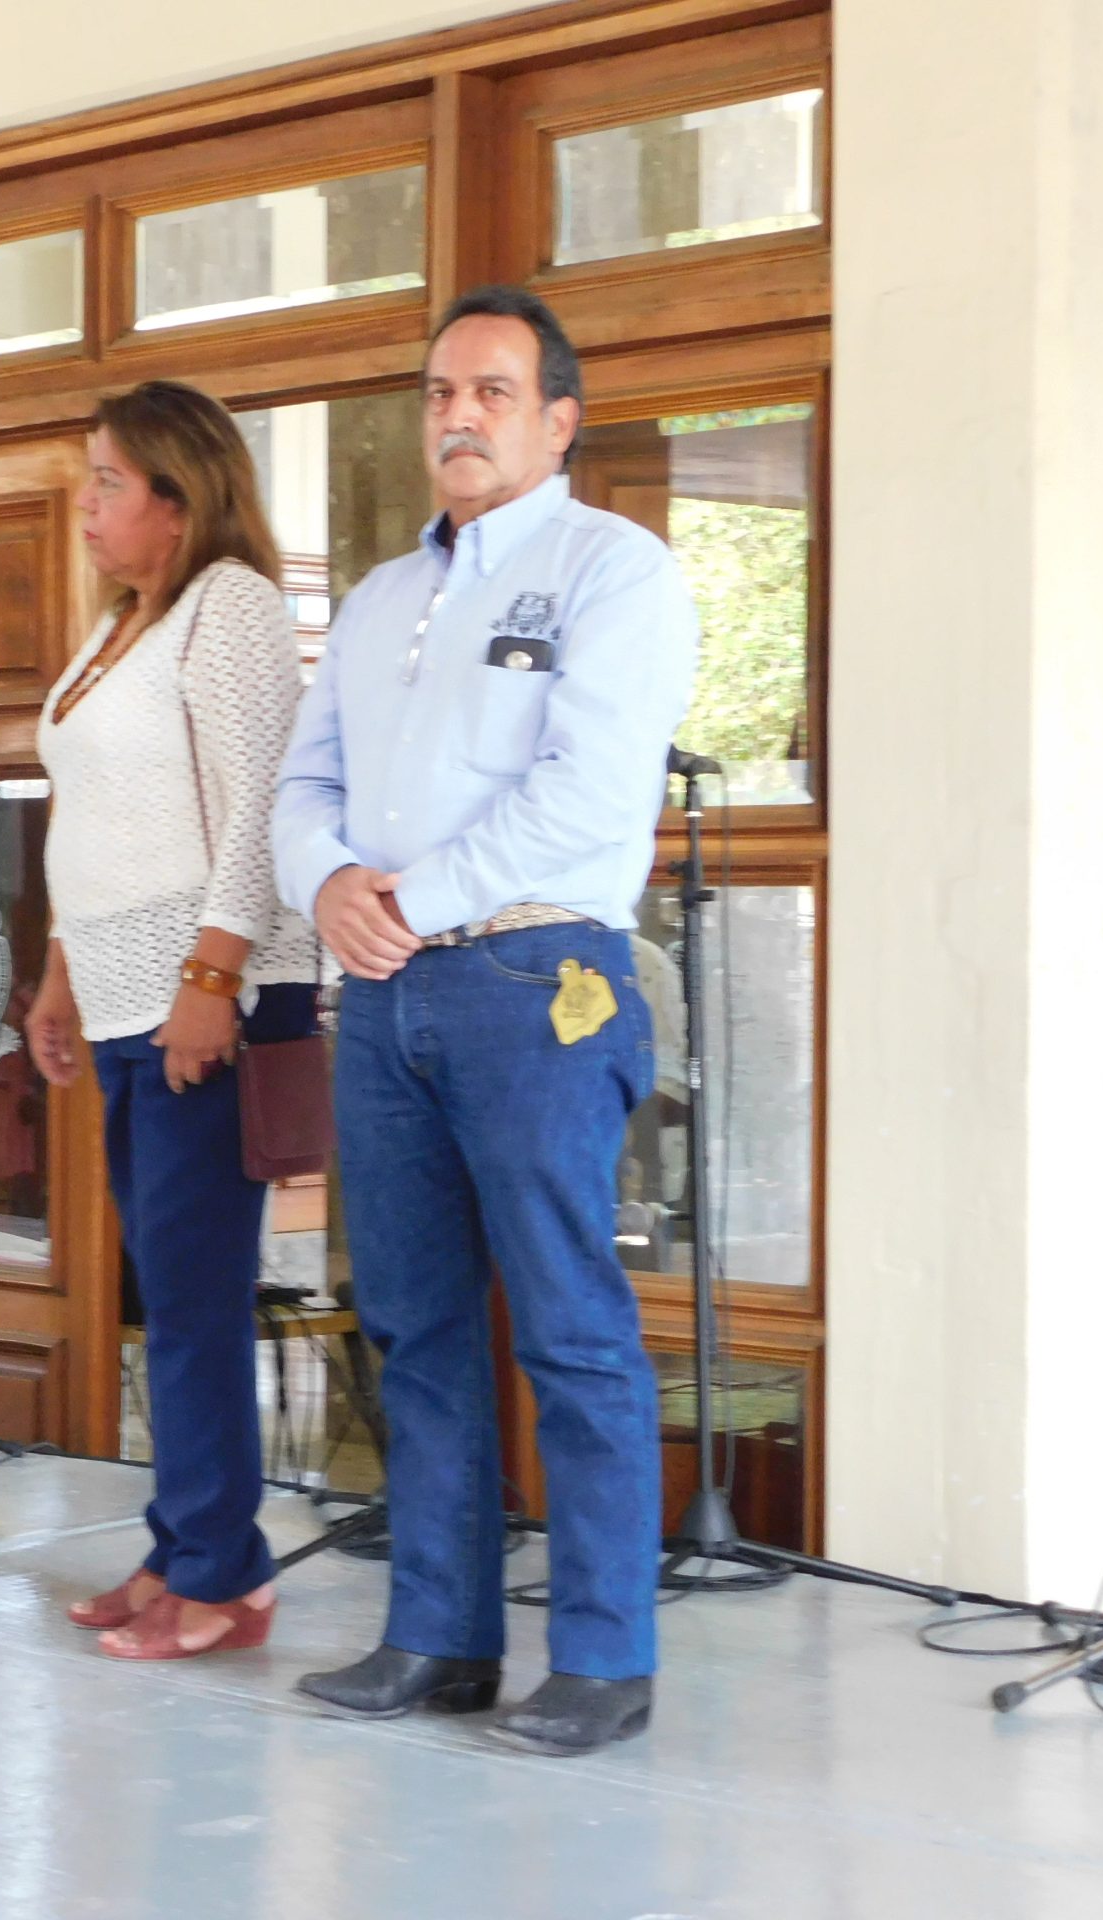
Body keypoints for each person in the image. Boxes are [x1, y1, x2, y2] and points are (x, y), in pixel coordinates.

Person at [275, 286, 698, 1755]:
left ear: (557, 423)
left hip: (536, 980)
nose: (458, 417)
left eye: (493, 393)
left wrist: (410, 899)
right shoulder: (383, 598)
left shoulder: (612, 570)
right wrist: (327, 884)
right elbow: (304, 782)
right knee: (415, 1325)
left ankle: (602, 1657)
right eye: (441, 394)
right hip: (388, 996)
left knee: (571, 1327)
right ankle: (438, 1637)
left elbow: (589, 792)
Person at [24, 381, 319, 1660]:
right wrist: (57, 971)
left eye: (108, 480)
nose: (85, 503)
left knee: (195, 1296)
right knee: (166, 1285)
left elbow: (264, 802)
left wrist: (213, 978)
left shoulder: (230, 605)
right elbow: (93, 817)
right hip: (121, 991)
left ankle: (224, 1575)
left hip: (206, 992)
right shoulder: (120, 624)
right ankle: (182, 1541)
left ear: (178, 497)